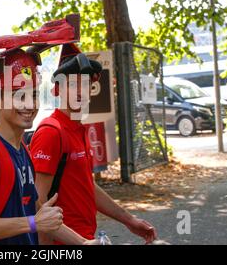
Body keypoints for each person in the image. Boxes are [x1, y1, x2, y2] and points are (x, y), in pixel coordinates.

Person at [0, 49, 97, 245]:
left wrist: (83, 243)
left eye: (33, 95)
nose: (29, 104)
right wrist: (31, 223)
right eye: (19, 96)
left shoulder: (23, 152)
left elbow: (39, 213)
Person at [30, 43, 158, 245]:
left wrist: (129, 220)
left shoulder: (78, 129)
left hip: (87, 239)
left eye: (85, 84)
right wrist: (79, 242)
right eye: (72, 84)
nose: (80, 91)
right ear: (57, 90)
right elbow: (36, 201)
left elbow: (86, 186)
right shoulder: (51, 132)